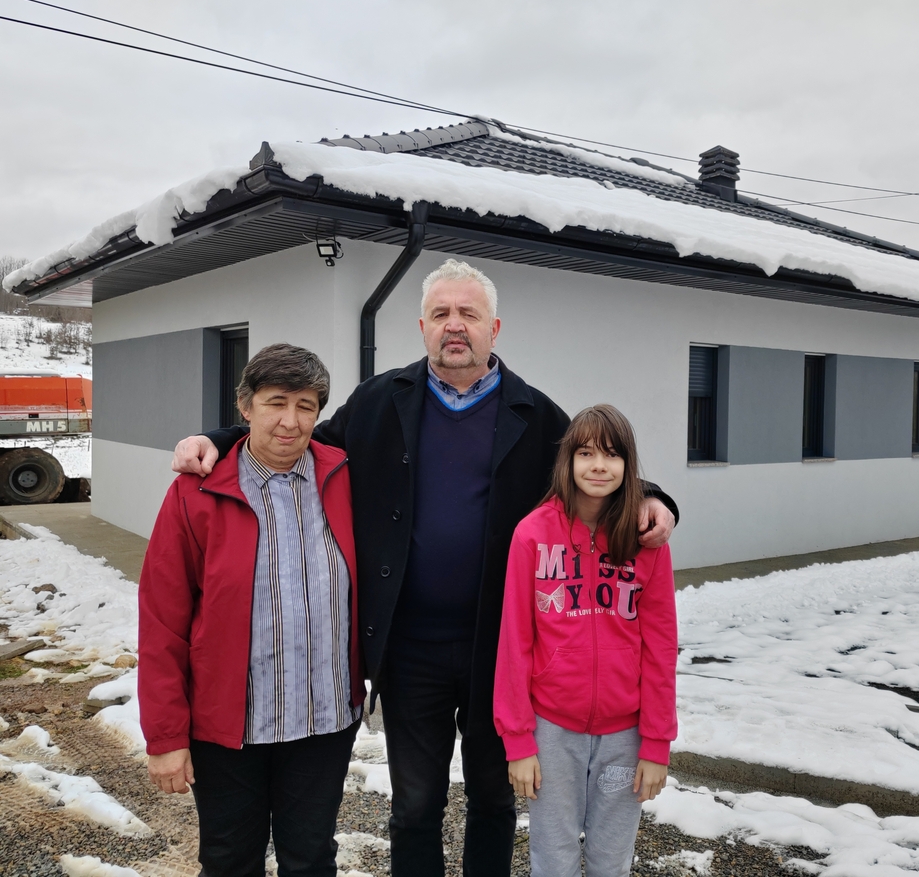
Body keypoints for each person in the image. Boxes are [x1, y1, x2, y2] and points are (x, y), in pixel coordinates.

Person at [170, 259, 678, 877]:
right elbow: (302, 435)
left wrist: (654, 496)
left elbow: (593, 464)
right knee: (414, 803)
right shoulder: (382, 401)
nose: (454, 326)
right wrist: (219, 439)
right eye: (441, 314)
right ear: (421, 327)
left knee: (495, 797)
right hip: (410, 650)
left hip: (501, 650)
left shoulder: (536, 413)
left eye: (468, 314)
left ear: (495, 327)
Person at [140, 344, 364, 877]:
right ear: (245, 406)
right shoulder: (196, 493)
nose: (290, 421)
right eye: (275, 402)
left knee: (310, 858)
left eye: (306, 406)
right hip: (230, 725)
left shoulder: (347, 479)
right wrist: (166, 737)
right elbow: (162, 621)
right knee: (229, 860)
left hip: (323, 720)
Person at [494, 404, 676, 877]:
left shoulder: (646, 540)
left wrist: (656, 742)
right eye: (587, 453)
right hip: (552, 732)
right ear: (567, 461)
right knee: (552, 861)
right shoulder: (532, 535)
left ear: (627, 466)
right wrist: (519, 741)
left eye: (612, 455)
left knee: (610, 861)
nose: (599, 465)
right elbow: (515, 642)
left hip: (625, 735)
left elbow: (660, 646)